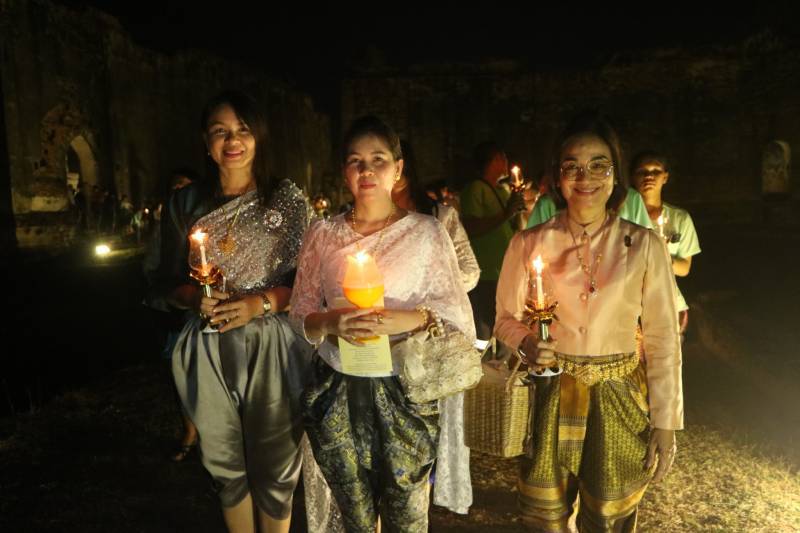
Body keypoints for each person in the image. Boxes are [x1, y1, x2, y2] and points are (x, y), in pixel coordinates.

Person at [494, 113, 683, 531]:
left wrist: (666, 421)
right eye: (572, 166)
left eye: (599, 165)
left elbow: (663, 338)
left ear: (616, 175)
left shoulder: (644, 245)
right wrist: (527, 342)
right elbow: (505, 319)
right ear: (557, 177)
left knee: (609, 517)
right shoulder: (529, 243)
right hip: (549, 394)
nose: (586, 177)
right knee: (544, 518)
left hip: (618, 396)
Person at [290, 116, 475, 532]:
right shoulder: (323, 234)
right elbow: (300, 313)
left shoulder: (425, 233)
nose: (367, 170)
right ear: (344, 172)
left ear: (398, 168)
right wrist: (330, 322)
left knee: (406, 514)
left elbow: (456, 316)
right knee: (354, 516)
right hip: (337, 390)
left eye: (378, 159)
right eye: (355, 161)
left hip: (404, 391)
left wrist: (410, 318)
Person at [155, 90, 311, 533]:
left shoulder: (285, 199)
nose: (233, 140)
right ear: (206, 142)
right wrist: (193, 298)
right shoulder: (184, 204)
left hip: (272, 343)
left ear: (258, 136)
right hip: (208, 345)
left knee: (276, 460)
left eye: (242, 129)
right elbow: (163, 279)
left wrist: (259, 304)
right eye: (220, 131)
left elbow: (308, 282)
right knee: (223, 460)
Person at [392, 141, 480, 515]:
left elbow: (470, 271)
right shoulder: (357, 222)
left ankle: (420, 498)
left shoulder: (439, 217)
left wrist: (427, 296)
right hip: (383, 343)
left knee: (424, 433)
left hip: (429, 340)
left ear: (402, 166)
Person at [460, 142, 526, 346]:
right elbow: (471, 226)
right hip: (486, 270)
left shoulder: (502, 190)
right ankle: (482, 359)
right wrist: (506, 213)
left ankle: (502, 359)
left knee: (506, 320)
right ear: (494, 159)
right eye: (502, 158)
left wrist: (517, 208)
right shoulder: (475, 189)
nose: (506, 162)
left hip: (504, 268)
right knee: (486, 323)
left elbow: (514, 224)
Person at [631, 151, 701, 339]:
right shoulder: (623, 217)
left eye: (655, 171)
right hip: (631, 307)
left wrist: (662, 256)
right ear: (632, 177)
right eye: (642, 172)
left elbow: (684, 268)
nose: (649, 176)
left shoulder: (680, 219)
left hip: (669, 304)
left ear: (665, 177)